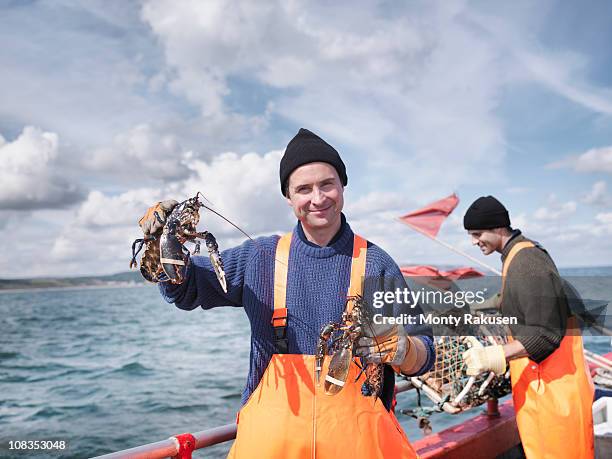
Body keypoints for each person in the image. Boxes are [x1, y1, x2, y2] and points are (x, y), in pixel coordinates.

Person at [139, 128, 435, 458]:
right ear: (288, 197)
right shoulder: (258, 257)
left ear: (342, 186)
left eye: (327, 184)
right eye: (304, 189)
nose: (318, 198)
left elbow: (426, 354)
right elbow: (186, 288)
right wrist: (158, 245)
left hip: (357, 443)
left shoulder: (377, 263)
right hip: (272, 442)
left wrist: (406, 349)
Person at [461, 195, 594, 459]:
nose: (474, 242)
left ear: (498, 228)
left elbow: (545, 333)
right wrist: (475, 307)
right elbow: (516, 297)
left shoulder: (528, 262)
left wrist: (497, 354)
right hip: (540, 390)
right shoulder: (516, 254)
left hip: (555, 393)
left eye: (477, 234)